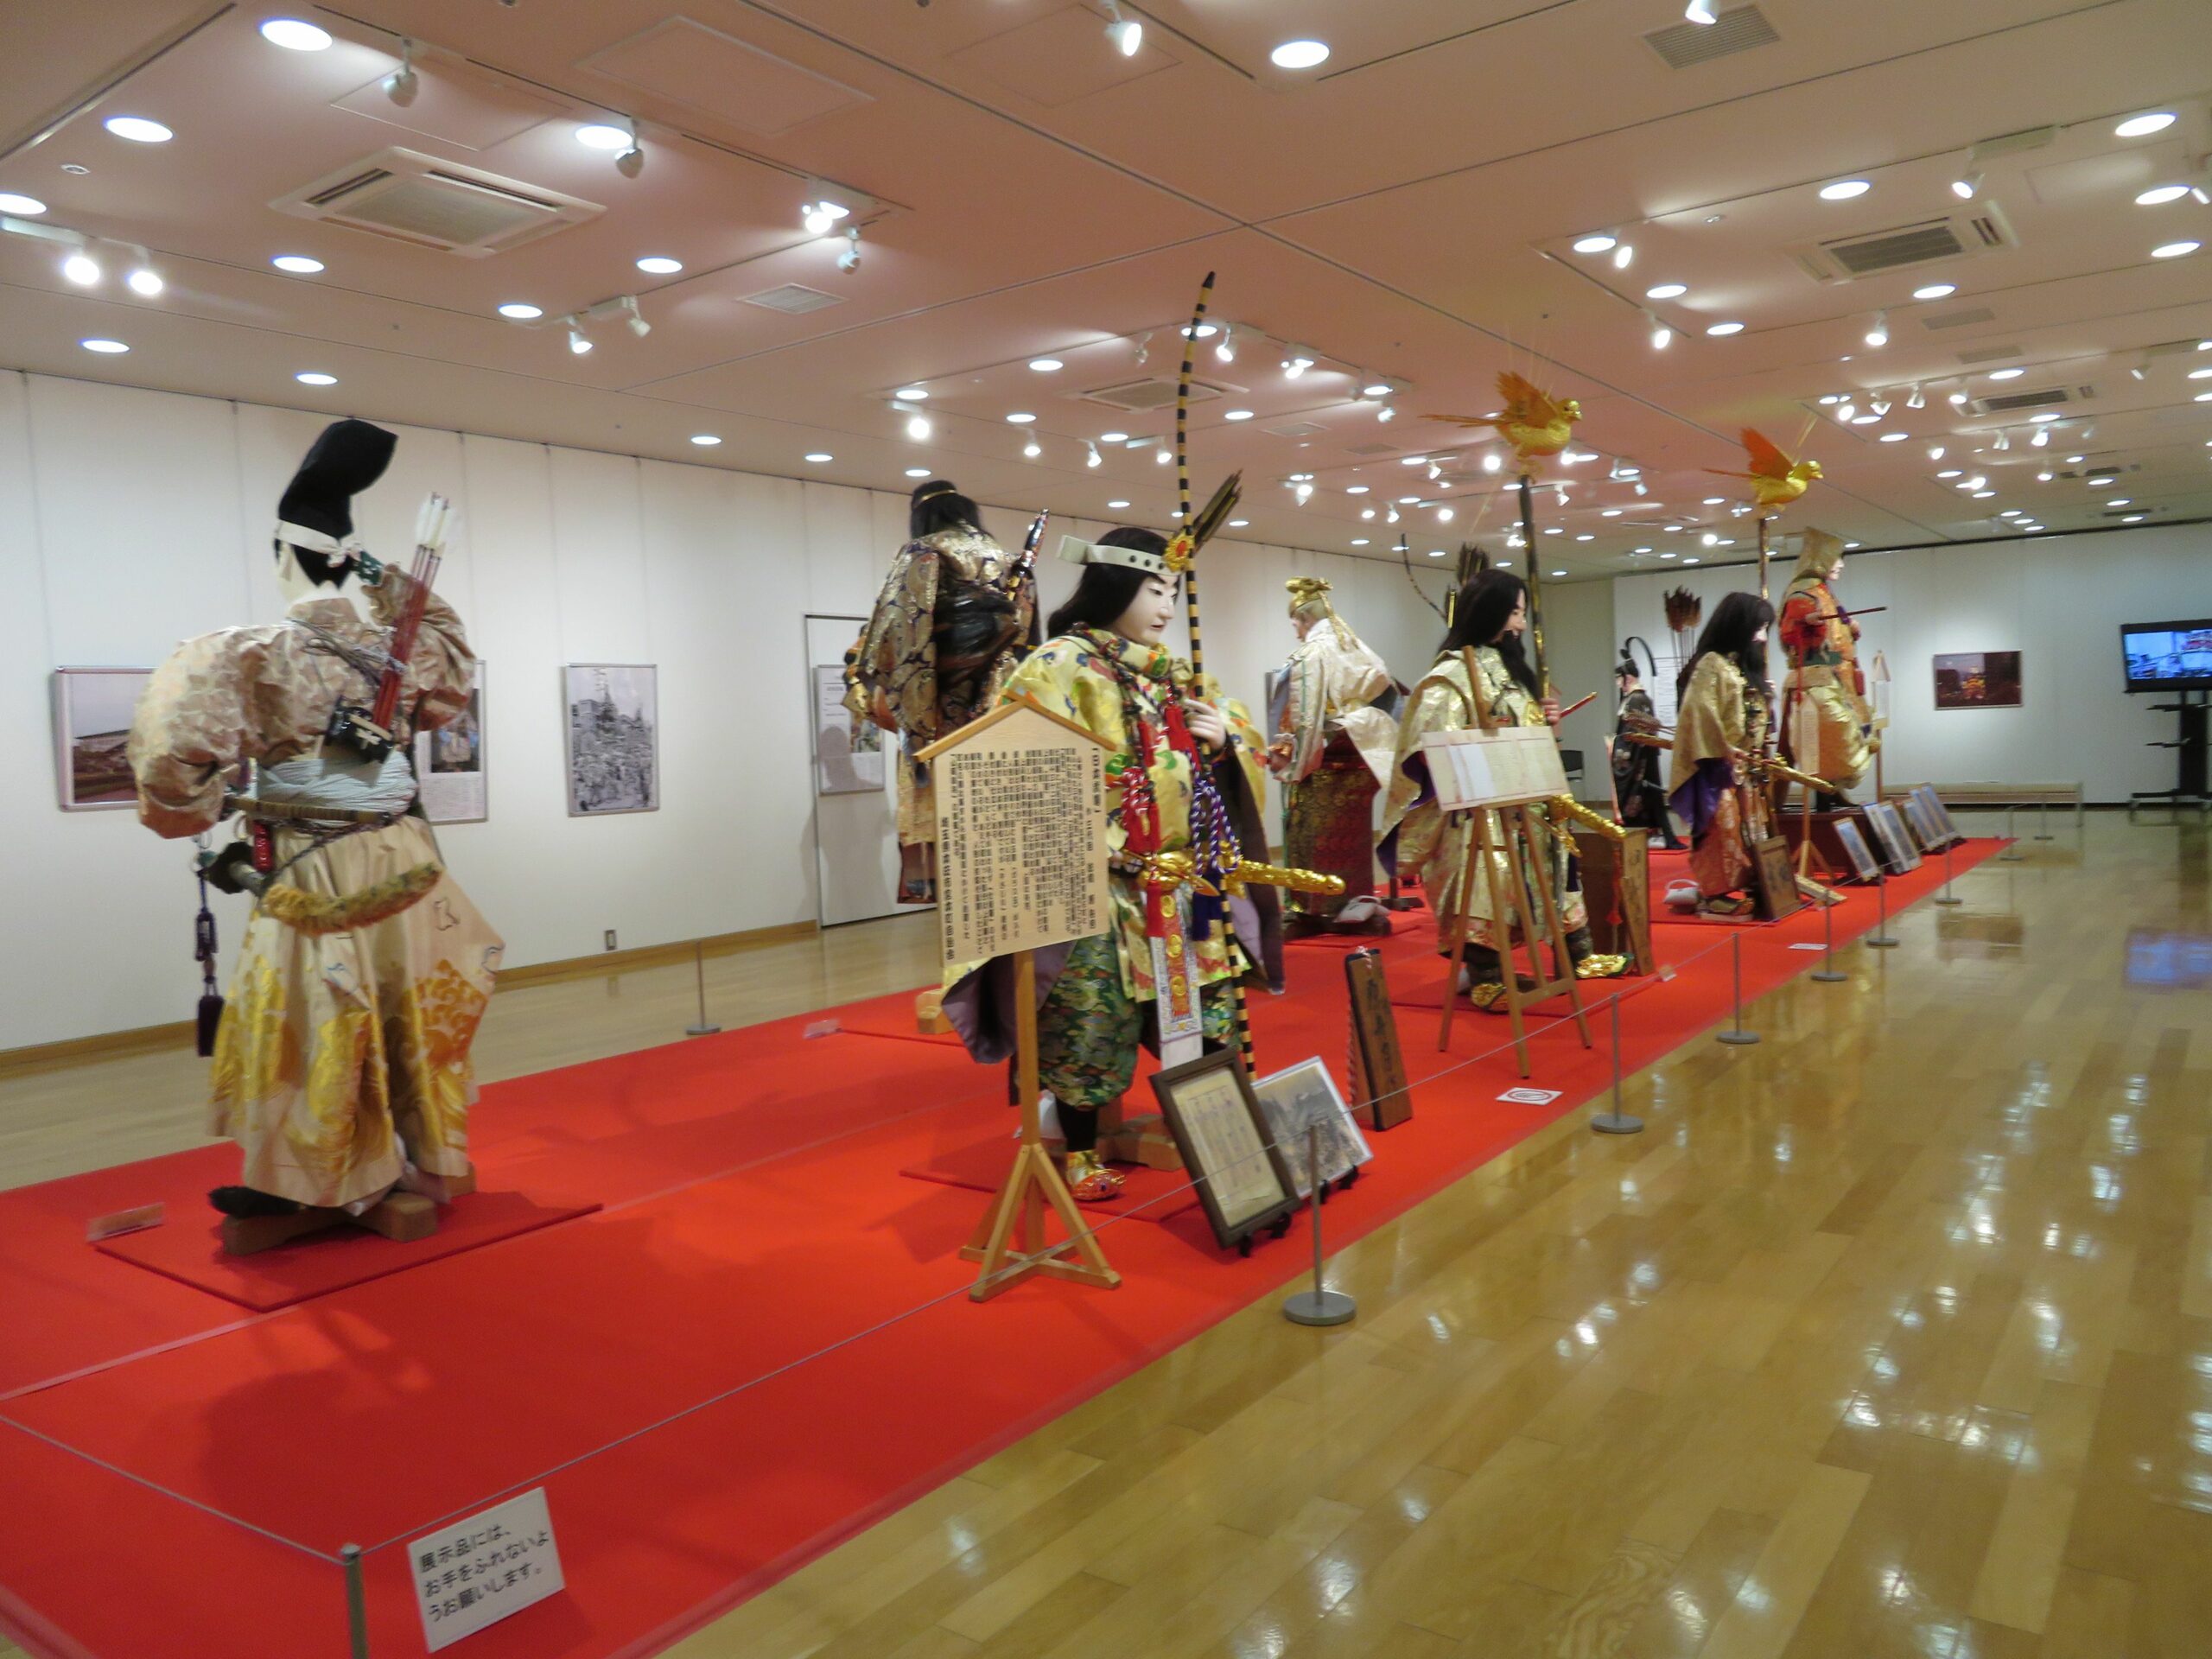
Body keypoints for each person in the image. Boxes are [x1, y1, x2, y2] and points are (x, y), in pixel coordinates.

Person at [128, 419, 503, 1219]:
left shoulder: (245, 652)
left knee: (311, 1011)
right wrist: (388, 580)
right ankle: (422, 1159)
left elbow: (169, 766)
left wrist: (216, 808)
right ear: (348, 563)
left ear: (281, 559)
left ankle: (311, 1178)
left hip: (313, 864)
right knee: (406, 1011)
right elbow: (449, 649)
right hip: (404, 856)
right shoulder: (409, 653)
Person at [944, 528, 1274, 1200]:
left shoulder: (1174, 674)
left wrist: (1224, 742)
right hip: (1099, 883)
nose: (1165, 607)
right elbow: (1017, 767)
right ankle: (1081, 1150)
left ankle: (1211, 1122)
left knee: (1210, 1012)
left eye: (1173, 593)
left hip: (1182, 883)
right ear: (1115, 586)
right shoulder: (1057, 666)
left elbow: (1230, 763)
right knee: (1090, 1020)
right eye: (1154, 590)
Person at [1379, 569, 1628, 1008]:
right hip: (1481, 811)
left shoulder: (1513, 673)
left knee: (1558, 865)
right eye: (1514, 612)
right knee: (1485, 881)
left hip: (1529, 800)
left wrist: (1545, 722)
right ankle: (1485, 975)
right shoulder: (1452, 675)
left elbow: (1529, 734)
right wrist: (1483, 742)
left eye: (1522, 613)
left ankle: (1578, 953)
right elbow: (1430, 745)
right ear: (1489, 612)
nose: (1520, 624)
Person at [845, 479, 1036, 902]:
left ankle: (942, 895)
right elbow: (1024, 636)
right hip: (999, 697)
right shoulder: (1011, 560)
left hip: (939, 700)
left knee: (943, 810)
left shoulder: (923, 551)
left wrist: (875, 684)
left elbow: (900, 631)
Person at [1268, 576, 1398, 935]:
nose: (1296, 632)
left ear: (1304, 618)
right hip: (1362, 750)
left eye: (1295, 623)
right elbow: (1387, 690)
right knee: (1354, 834)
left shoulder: (1311, 654)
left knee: (1308, 830)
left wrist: (1293, 764)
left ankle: (1309, 909)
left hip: (1326, 754)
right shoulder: (1355, 646)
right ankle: (1354, 901)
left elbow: (1306, 715)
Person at [1667, 592, 1776, 916]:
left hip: (1746, 768)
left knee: (1751, 827)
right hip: (1718, 766)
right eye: (1758, 628)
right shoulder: (1711, 664)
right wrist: (1724, 749)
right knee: (1721, 827)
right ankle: (1715, 892)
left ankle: (1754, 882)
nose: (1762, 637)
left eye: (1765, 629)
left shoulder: (1741, 667)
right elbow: (1700, 711)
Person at [1777, 528, 1872, 809]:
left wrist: (1849, 628)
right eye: (1836, 559)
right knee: (1818, 741)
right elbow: (1790, 630)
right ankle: (1777, 802)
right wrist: (1808, 621)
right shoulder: (1802, 593)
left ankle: (1831, 792)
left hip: (1832, 677)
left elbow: (1836, 629)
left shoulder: (1823, 591)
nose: (1840, 564)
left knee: (1832, 740)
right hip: (1812, 681)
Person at [1610, 652, 1682, 848]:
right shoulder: (1639, 698)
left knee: (1642, 793)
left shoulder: (1635, 700)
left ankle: (1645, 834)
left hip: (1639, 758)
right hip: (1643, 755)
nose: (1618, 683)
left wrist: (1618, 749)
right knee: (1651, 795)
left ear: (1628, 678)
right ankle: (1660, 834)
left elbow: (1633, 734)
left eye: (1619, 678)